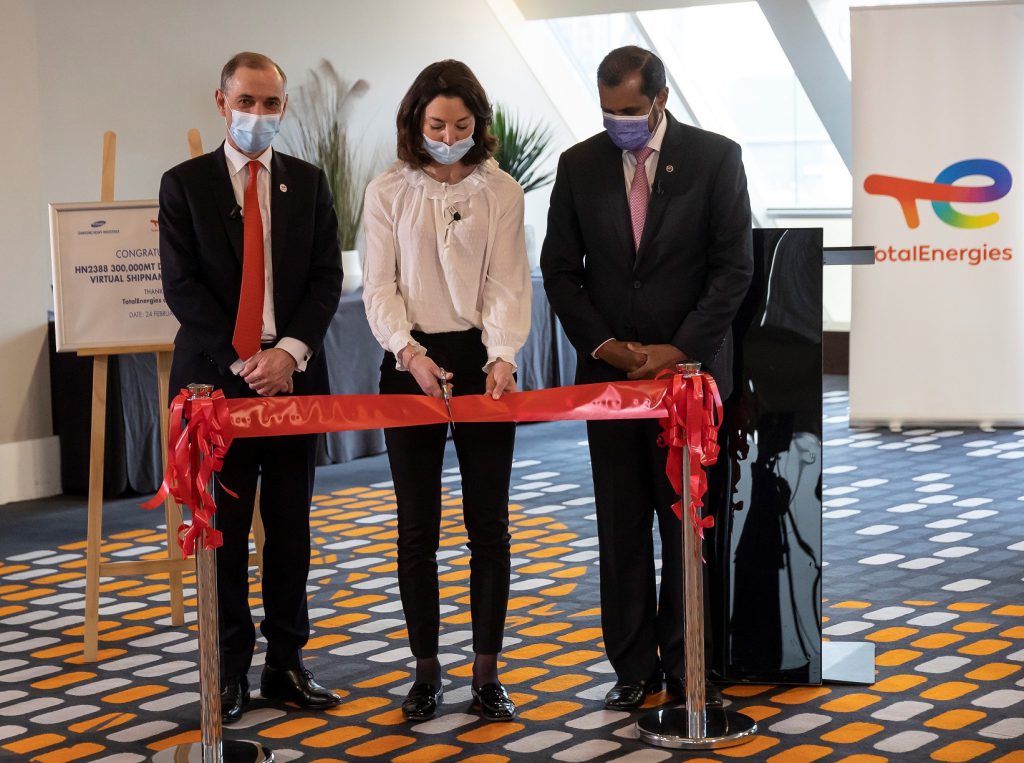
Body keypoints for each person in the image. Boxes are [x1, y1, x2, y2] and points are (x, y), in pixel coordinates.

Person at [540, 45, 753, 710]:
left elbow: (733, 269)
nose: (618, 123)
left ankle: (693, 656)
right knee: (621, 520)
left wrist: (677, 347)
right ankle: (633, 664)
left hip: (688, 379)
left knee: (688, 520)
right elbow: (560, 270)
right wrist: (605, 344)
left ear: (658, 100)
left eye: (629, 111)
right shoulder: (579, 165)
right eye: (607, 111)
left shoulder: (716, 157)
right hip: (611, 378)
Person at [159, 51, 343, 723]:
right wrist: (248, 360)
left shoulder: (310, 183)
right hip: (219, 387)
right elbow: (183, 290)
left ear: (284, 107)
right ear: (221, 101)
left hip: (293, 381)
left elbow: (327, 279)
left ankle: (288, 662)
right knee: (225, 532)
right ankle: (230, 668)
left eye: (271, 104)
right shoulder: (183, 185)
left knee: (291, 530)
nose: (259, 115)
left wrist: (288, 353)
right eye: (248, 101)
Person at [362, 59, 530, 722]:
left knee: (488, 524)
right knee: (416, 528)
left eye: (461, 124)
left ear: (477, 125)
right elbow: (378, 284)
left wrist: (502, 355)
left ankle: (487, 673)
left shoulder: (502, 190)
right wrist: (407, 352)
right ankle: (425, 671)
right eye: (437, 124)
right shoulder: (387, 190)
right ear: (415, 124)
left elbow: (508, 282)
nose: (449, 134)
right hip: (409, 361)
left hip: (483, 361)